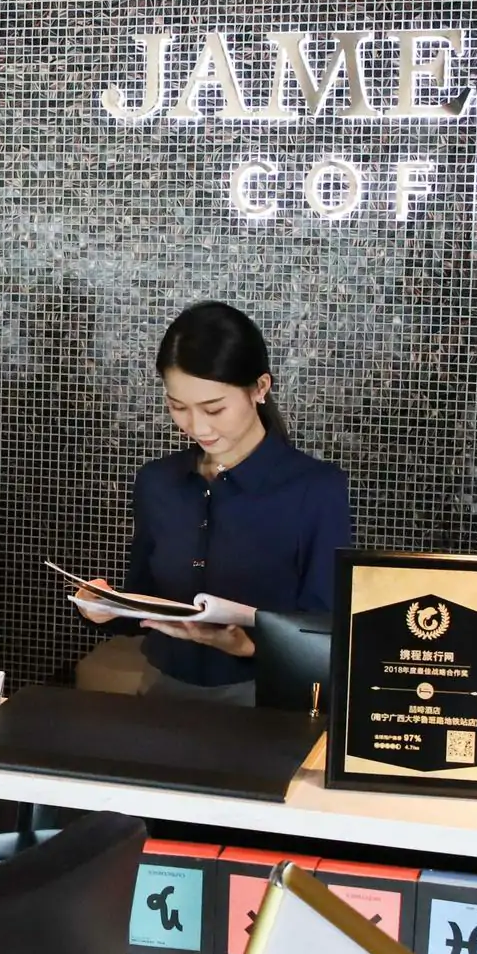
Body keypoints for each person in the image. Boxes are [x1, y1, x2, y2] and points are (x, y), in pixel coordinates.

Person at [76, 301, 354, 704]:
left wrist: (248, 645)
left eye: (214, 408)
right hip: (162, 693)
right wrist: (106, 607)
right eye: (178, 407)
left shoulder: (315, 489)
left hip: (270, 703)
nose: (197, 426)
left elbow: (326, 631)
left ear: (260, 388)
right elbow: (144, 603)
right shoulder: (158, 482)